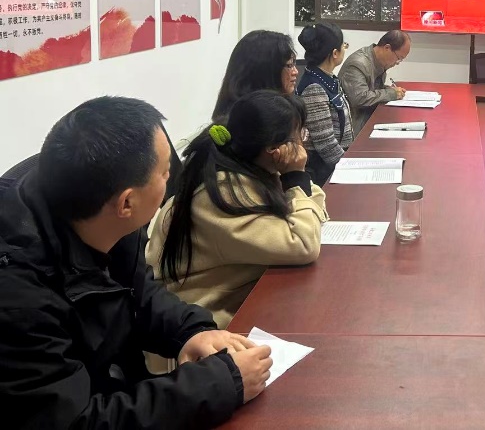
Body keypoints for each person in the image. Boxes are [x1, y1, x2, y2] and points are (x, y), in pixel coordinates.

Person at [0, 97, 273, 428]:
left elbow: (136, 294)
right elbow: (75, 421)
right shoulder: (19, 298)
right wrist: (218, 384)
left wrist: (191, 331)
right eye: (165, 172)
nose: (171, 177)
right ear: (126, 203)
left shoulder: (99, 215)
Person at [147, 91, 328, 329]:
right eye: (299, 135)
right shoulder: (224, 194)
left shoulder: (255, 171)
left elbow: (315, 211)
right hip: (196, 325)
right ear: (274, 149)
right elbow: (304, 244)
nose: (302, 145)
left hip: (234, 302)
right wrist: (295, 177)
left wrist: (296, 181)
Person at [296, 22, 354, 185]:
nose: (345, 49)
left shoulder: (327, 78)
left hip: (337, 164)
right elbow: (325, 144)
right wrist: (350, 170)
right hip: (326, 173)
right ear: (335, 53)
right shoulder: (315, 88)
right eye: (344, 45)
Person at [212, 30, 298, 122]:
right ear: (265, 71)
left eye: (294, 64)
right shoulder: (254, 122)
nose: (295, 72)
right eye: (289, 65)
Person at [340, 30, 411, 132]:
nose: (397, 63)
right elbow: (360, 98)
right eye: (399, 58)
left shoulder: (379, 61)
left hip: (370, 116)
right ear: (387, 48)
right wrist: (391, 93)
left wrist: (389, 89)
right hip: (354, 127)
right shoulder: (358, 64)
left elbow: (372, 88)